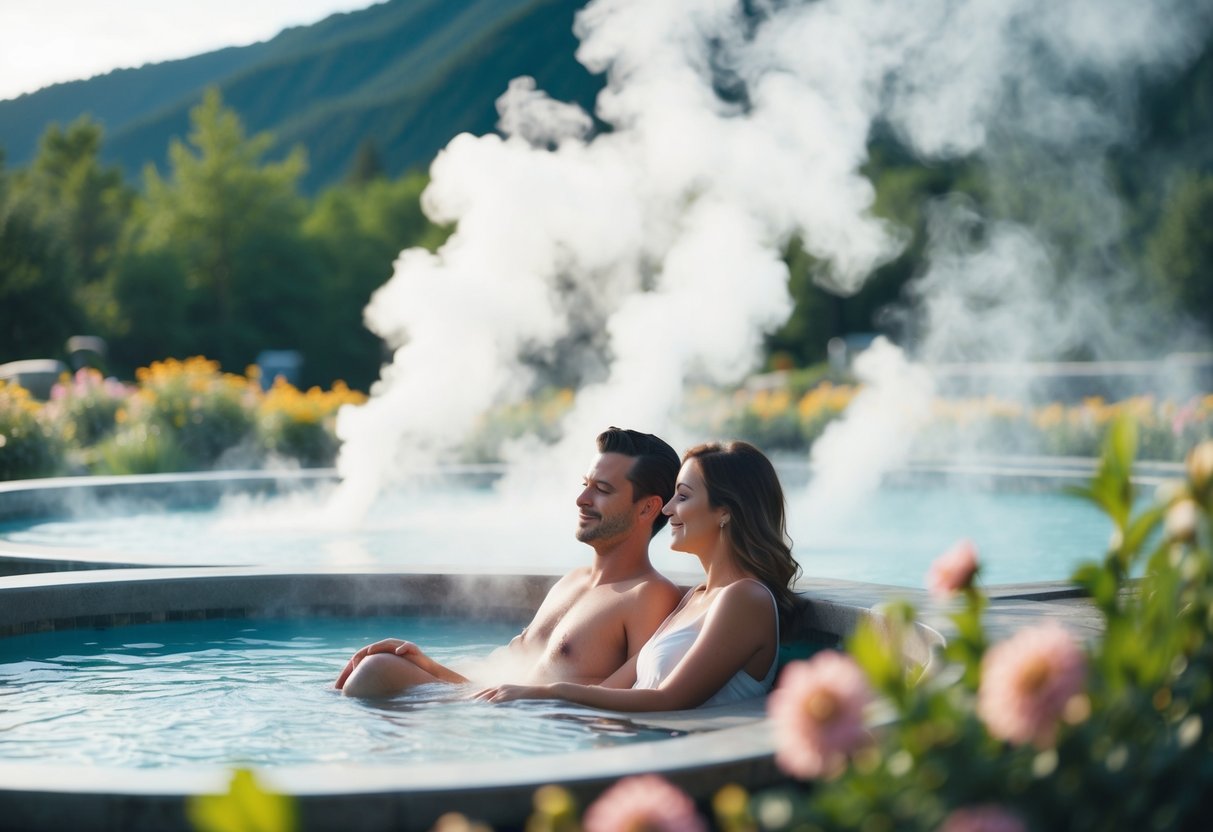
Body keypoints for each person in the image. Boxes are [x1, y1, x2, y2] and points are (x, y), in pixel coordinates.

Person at [335, 427, 685, 697]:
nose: (581, 499)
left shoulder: (647, 596)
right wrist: (428, 665)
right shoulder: (572, 582)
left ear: (648, 507)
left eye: (602, 490)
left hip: (537, 729)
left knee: (377, 670)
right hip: (492, 713)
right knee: (373, 665)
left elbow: (641, 696)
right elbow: (505, 682)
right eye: (584, 484)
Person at [475, 440, 801, 711]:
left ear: (725, 512)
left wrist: (552, 692)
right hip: (629, 740)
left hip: (669, 760)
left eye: (683, 496)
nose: (667, 508)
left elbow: (668, 698)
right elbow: (613, 690)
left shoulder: (745, 598)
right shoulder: (695, 598)